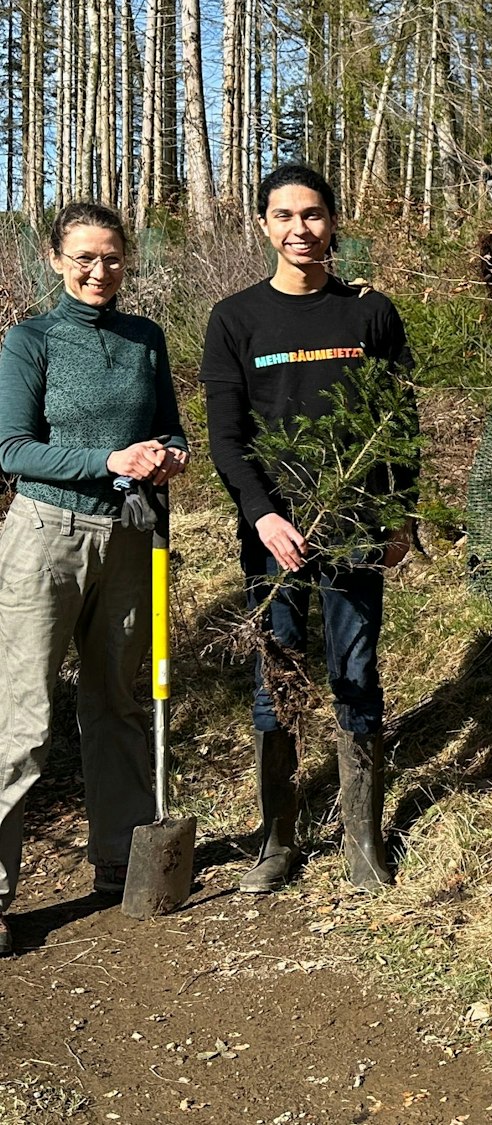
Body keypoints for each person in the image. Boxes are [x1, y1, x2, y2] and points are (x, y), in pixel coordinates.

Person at [202, 164, 418, 891]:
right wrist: (262, 513)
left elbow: (399, 421)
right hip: (274, 533)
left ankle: (363, 841)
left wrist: (400, 516)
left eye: (315, 214)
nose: (301, 229)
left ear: (334, 222)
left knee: (355, 671)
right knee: (280, 678)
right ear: (264, 225)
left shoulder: (369, 313)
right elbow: (226, 437)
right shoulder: (235, 319)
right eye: (285, 215)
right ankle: (278, 838)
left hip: (356, 523)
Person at [0, 203, 188, 955]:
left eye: (110, 257)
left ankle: (122, 855)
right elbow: (13, 449)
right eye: (82, 257)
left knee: (117, 699)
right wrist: (108, 461)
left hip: (131, 539)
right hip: (44, 537)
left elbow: (169, 425)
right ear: (53, 259)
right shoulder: (30, 339)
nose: (97, 270)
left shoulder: (146, 338)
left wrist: (169, 453)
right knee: (21, 713)